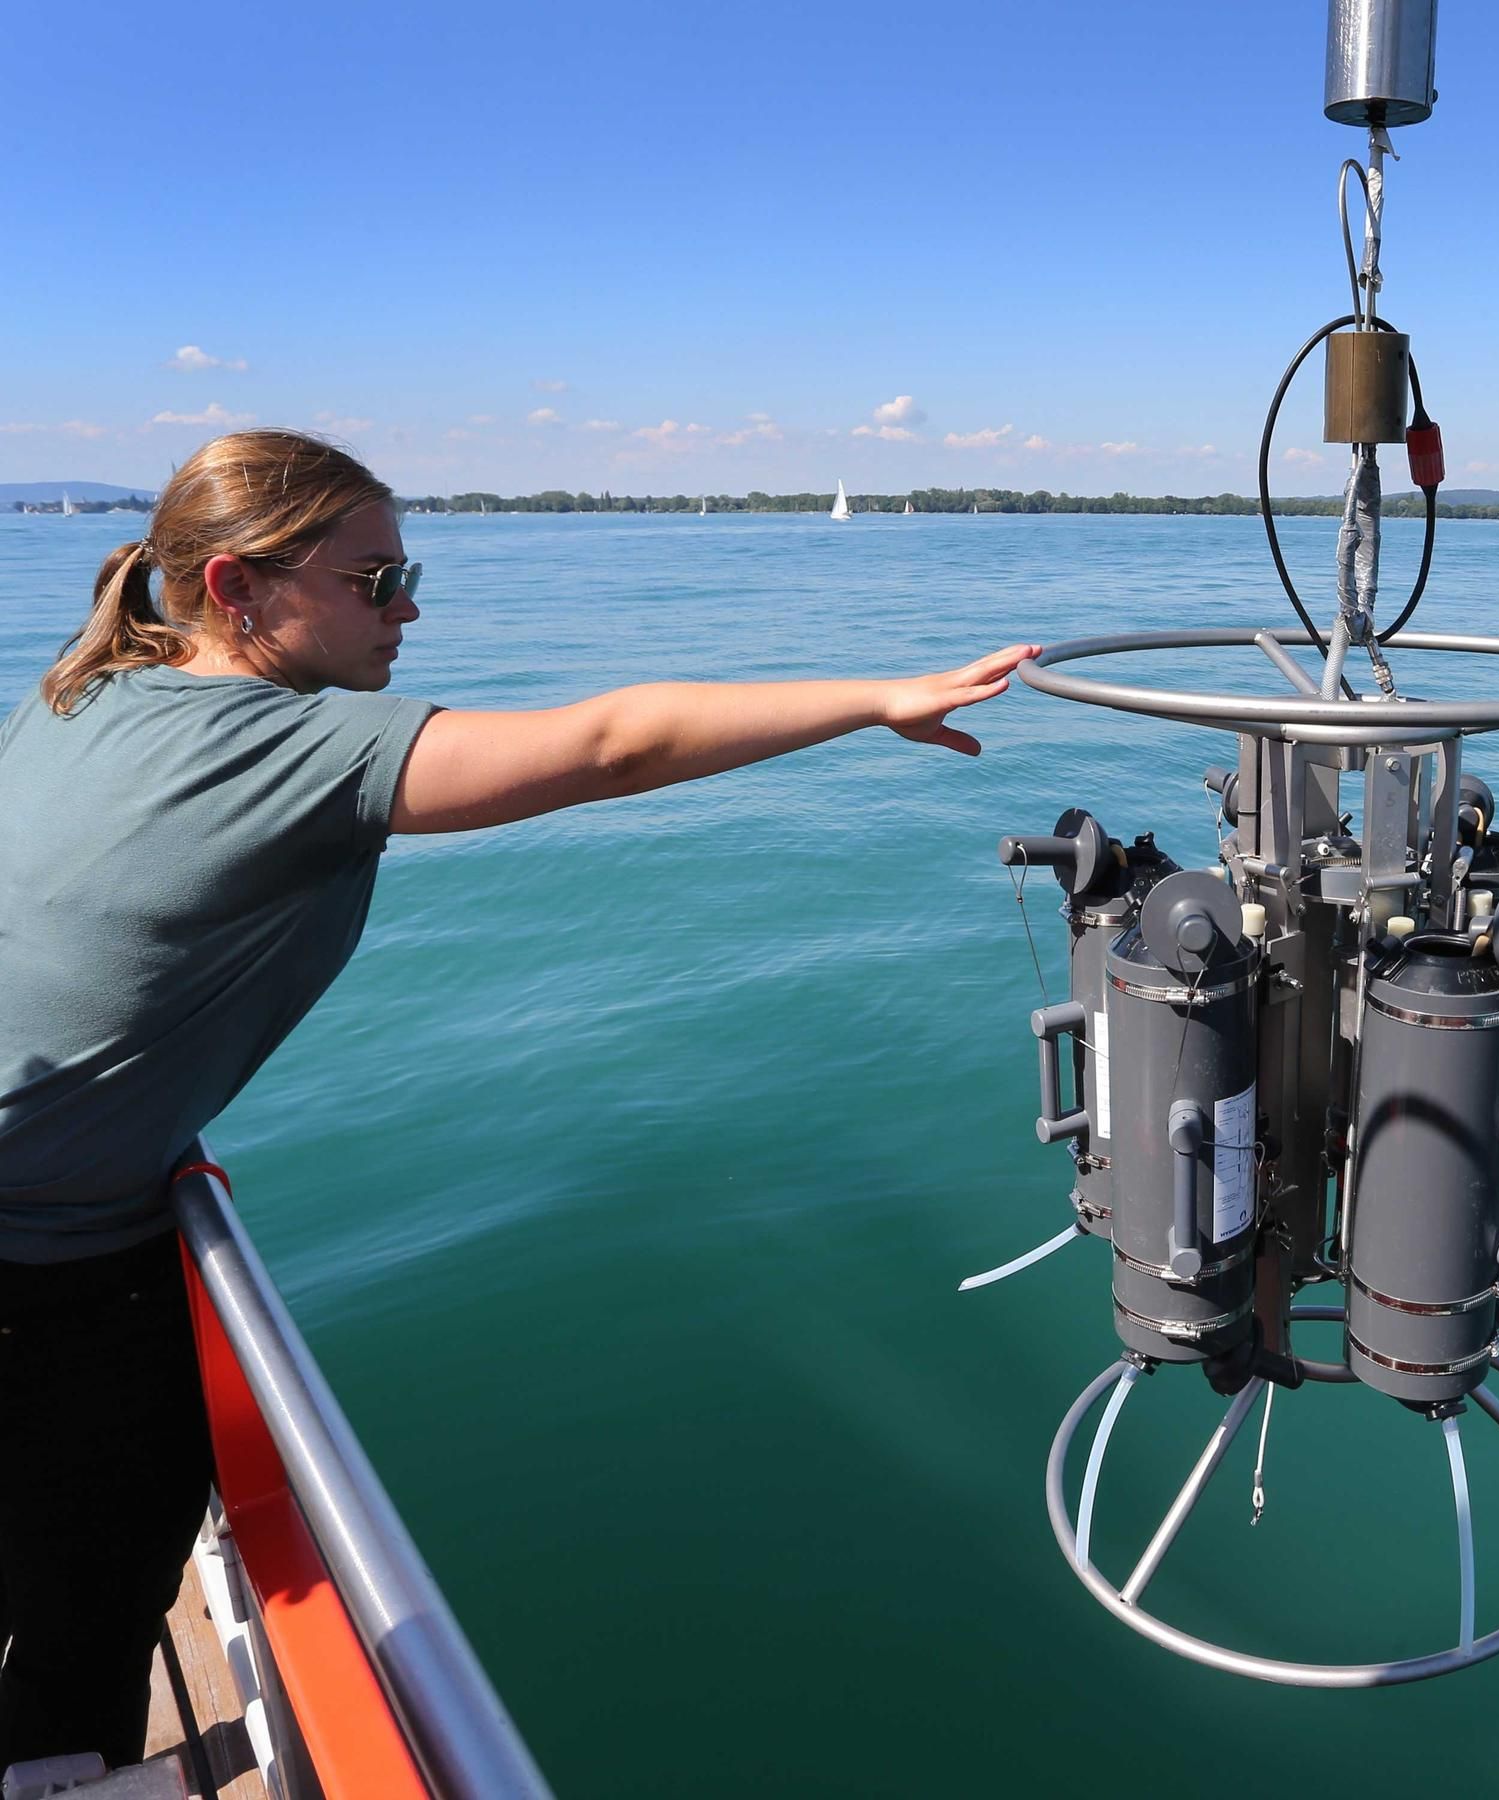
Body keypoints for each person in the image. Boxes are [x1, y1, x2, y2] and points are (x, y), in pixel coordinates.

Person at [0, 427, 1037, 1772]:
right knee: (82, 1631)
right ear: (239, 589)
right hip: (51, 1274)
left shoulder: (79, 697)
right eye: (375, 580)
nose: (412, 606)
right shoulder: (288, 753)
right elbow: (611, 745)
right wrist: (878, 699)